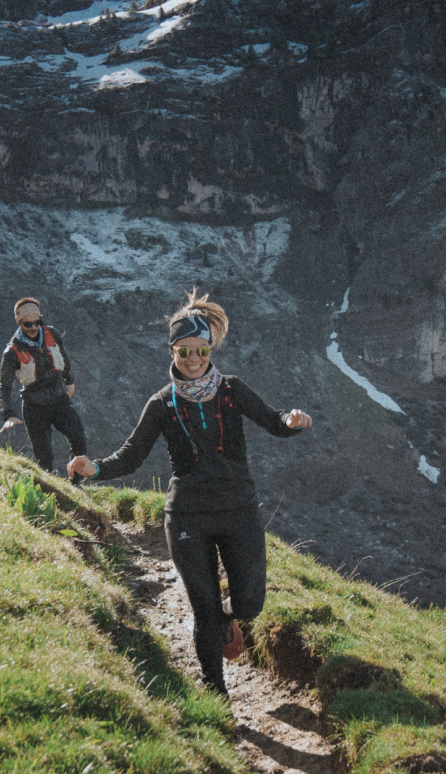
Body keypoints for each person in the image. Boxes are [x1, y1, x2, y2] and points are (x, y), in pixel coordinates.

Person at [68, 289, 312, 695]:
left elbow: (273, 421)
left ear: (210, 348)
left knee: (250, 603)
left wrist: (292, 420)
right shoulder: (161, 404)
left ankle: (226, 617)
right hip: (186, 516)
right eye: (184, 352)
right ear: (172, 353)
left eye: (200, 350)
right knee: (203, 608)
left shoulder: (232, 390)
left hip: (238, 508)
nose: (193, 359)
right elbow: (131, 456)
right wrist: (93, 468)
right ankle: (216, 696)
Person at [0, 297, 86, 475]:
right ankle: (48, 490)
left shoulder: (51, 334)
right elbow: (4, 386)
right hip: (34, 406)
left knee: (79, 439)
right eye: (28, 324)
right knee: (44, 457)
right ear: (19, 322)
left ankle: (75, 484)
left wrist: (69, 382)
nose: (33, 327)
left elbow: (63, 358)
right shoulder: (12, 352)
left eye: (36, 322)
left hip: (59, 398)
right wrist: (9, 414)